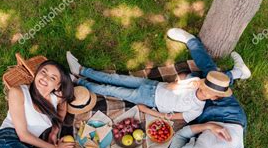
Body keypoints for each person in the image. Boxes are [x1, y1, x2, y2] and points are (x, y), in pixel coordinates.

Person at [65, 42, 248, 123]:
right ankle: (81, 70)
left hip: (150, 100)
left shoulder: (196, 109)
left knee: (112, 90)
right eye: (206, 84)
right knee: (116, 78)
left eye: (211, 92)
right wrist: (187, 83)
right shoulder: (193, 84)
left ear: (214, 97)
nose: (205, 89)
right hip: (151, 85)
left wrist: (148, 111)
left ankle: (79, 81)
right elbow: (170, 86)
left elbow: (173, 117)